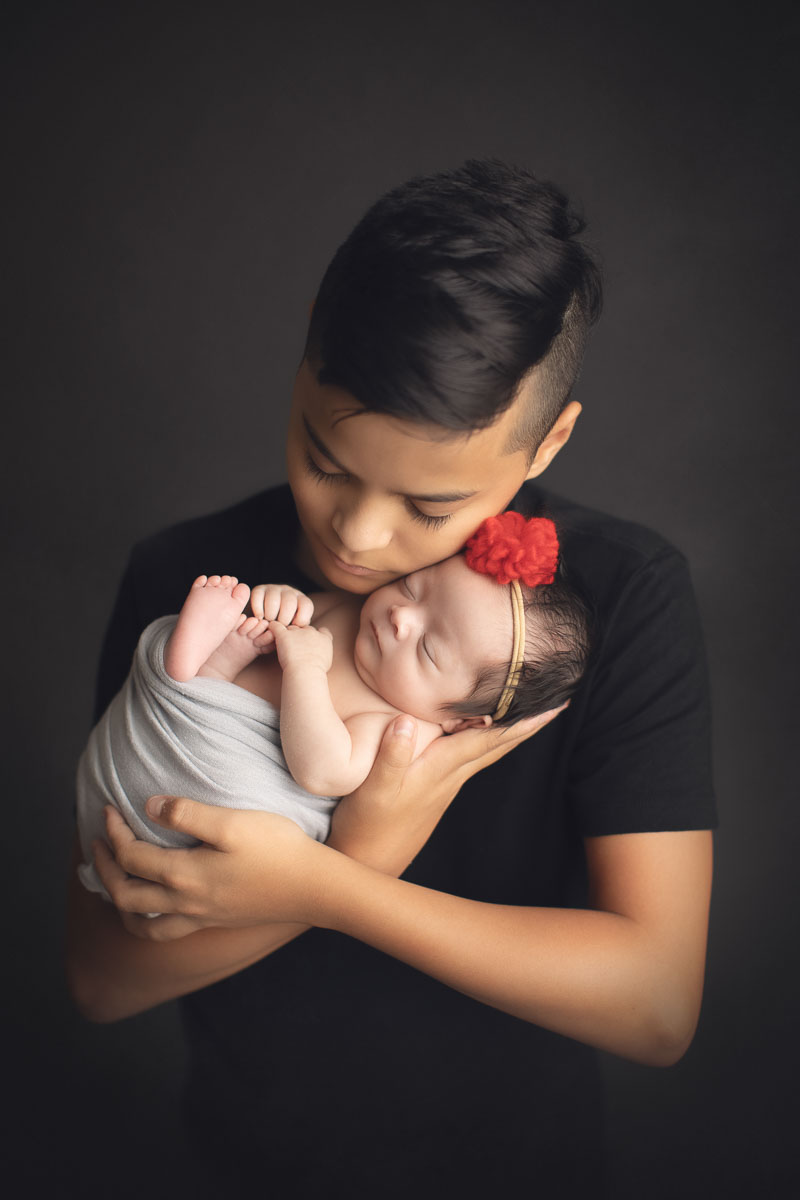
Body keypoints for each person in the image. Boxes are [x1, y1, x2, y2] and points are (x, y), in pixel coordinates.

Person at [65, 159, 715, 1199]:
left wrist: (337, 884)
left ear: (545, 440)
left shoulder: (618, 600)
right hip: (248, 1160)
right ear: (306, 346)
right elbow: (101, 978)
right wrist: (354, 852)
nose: (358, 538)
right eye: (324, 461)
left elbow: (653, 1006)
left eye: (430, 506)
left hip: (521, 1171)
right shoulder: (193, 580)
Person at [76, 515, 589, 900]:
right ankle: (198, 671)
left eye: (429, 649)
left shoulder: (401, 725)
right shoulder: (348, 606)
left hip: (220, 779)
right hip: (179, 722)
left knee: (198, 675)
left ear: (461, 720)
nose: (401, 618)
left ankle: (196, 672)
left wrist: (305, 673)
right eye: (414, 588)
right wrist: (279, 603)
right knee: (225, 641)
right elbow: (289, 616)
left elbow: (325, 773)